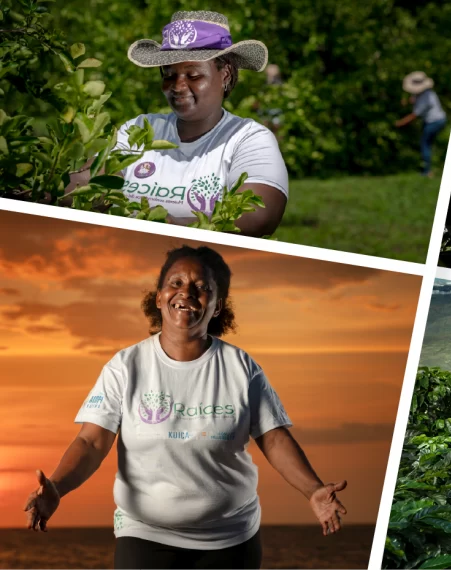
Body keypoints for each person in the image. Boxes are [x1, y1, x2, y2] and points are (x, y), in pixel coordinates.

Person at [23, 246, 347, 570]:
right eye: (175, 283)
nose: (186, 293)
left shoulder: (241, 367)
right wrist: (57, 488)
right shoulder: (125, 367)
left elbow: (274, 440)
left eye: (201, 287)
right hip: (144, 535)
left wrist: (314, 490)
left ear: (217, 305)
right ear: (159, 297)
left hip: (231, 539)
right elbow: (92, 442)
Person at [70, 11, 289, 237]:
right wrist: (52, 190)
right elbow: (93, 179)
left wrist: (175, 227)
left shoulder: (248, 138)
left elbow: (260, 215)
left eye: (193, 75)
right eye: (169, 75)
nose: (178, 86)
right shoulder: (143, 128)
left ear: (225, 74)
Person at [396, 71, 449, 177]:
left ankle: (427, 171)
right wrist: (407, 102)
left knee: (425, 144)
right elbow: (413, 100)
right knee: (428, 143)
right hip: (437, 119)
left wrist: (400, 123)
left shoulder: (425, 98)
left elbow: (414, 115)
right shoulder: (425, 93)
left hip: (435, 121)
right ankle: (430, 168)